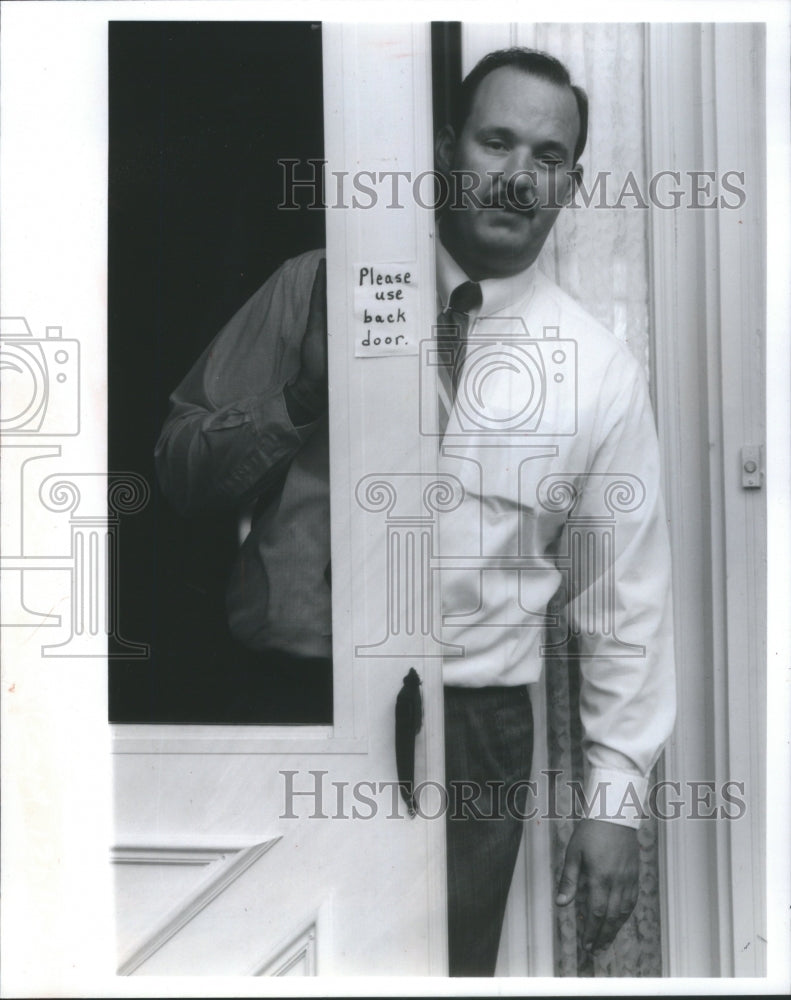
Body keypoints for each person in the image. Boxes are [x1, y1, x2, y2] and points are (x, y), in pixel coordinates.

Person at [155, 47, 675, 977]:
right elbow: (178, 471)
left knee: (442, 978)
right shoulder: (314, 288)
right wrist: (300, 398)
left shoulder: (598, 372)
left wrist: (613, 803)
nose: (517, 177)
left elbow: (624, 605)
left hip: (474, 734)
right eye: (495, 141)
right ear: (443, 148)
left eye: (547, 157)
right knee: (249, 967)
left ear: (571, 183)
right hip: (284, 702)